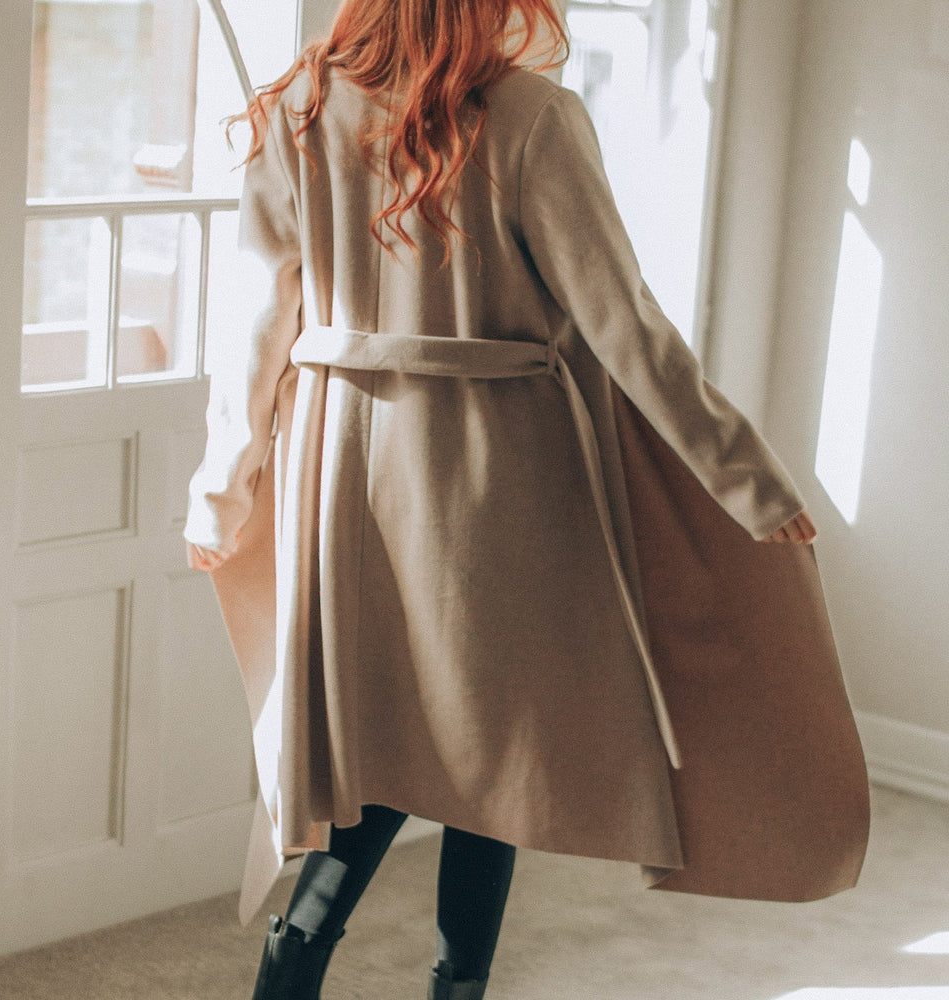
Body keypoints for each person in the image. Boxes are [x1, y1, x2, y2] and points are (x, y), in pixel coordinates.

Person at [184, 1, 868, 998]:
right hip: (491, 477)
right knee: (493, 757)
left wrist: (222, 485)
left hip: (339, 472)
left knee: (363, 753)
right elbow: (622, 319)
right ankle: (456, 983)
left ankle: (288, 972)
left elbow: (253, 326)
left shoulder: (293, 108)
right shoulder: (531, 115)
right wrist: (743, 473)